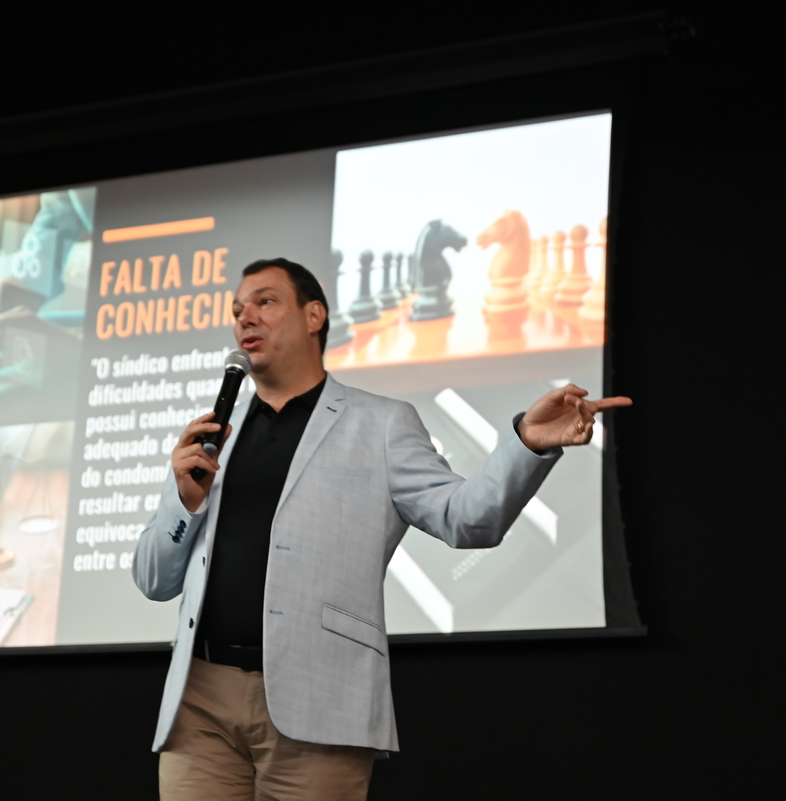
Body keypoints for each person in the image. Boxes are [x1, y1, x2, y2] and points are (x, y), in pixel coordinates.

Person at [133, 257, 632, 800]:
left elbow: (468, 519)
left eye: (265, 301)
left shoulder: (381, 423)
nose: (245, 317)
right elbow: (154, 580)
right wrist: (184, 503)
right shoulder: (211, 439)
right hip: (200, 700)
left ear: (314, 316)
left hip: (319, 696)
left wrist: (527, 443)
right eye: (237, 310)